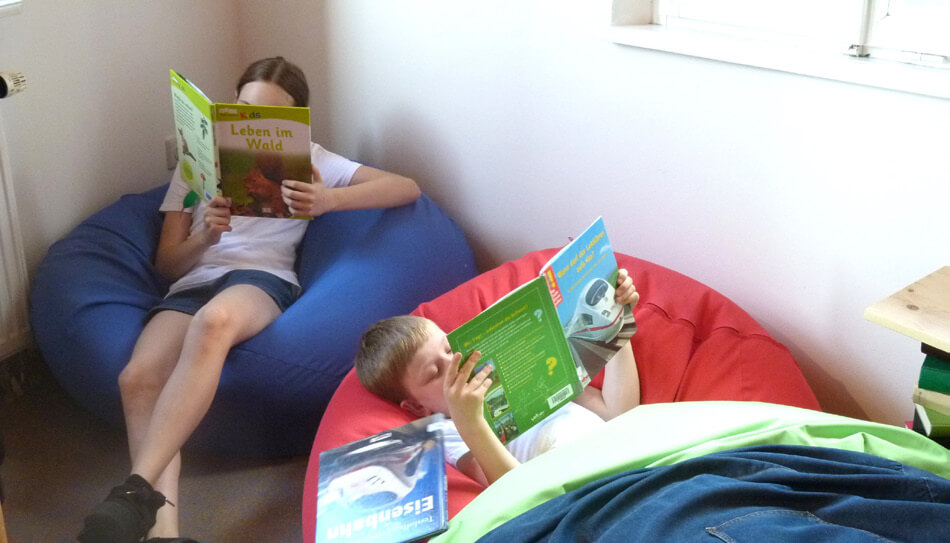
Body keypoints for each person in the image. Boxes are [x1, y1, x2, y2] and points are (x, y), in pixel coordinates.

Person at [78, 57, 421, 543]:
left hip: (260, 280)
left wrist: (328, 200)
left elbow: (406, 188)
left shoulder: (312, 162)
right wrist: (206, 237)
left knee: (214, 323)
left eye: (269, 117)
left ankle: (134, 490)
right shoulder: (196, 164)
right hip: (195, 282)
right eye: (244, 109)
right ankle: (163, 533)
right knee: (136, 378)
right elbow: (167, 265)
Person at [355, 270, 641, 487]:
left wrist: (616, 322)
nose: (454, 363)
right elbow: (513, 492)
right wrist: (470, 421)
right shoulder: (451, 430)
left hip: (625, 459)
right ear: (418, 407)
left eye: (450, 349)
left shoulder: (533, 374)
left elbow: (619, 414)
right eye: (434, 373)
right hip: (583, 490)